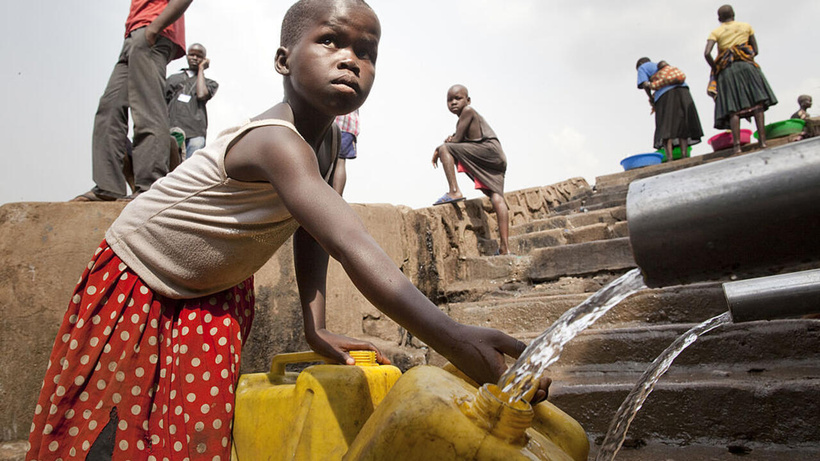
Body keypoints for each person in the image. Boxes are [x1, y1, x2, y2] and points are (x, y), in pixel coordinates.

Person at [26, 1, 544, 459]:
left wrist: (314, 324)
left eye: (367, 52)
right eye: (330, 41)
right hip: (139, 279)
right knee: (108, 435)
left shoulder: (326, 149)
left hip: (213, 293)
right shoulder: (277, 140)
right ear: (283, 61)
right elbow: (349, 241)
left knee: (193, 434)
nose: (350, 59)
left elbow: (314, 233)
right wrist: (455, 338)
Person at [72, 0, 192, 203]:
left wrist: (155, 28)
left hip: (152, 32)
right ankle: (107, 186)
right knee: (109, 109)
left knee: (146, 109)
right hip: (134, 36)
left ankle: (149, 186)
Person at [431, 85, 510, 255]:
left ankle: (454, 191)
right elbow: (460, 139)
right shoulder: (465, 117)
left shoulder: (468, 111)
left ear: (468, 100)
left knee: (445, 148)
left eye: (457, 98)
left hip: (487, 151)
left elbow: (456, 141)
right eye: (449, 100)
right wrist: (453, 139)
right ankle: (504, 247)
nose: (453, 103)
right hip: (496, 156)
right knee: (497, 197)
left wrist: (440, 148)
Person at [704, 4, 778, 154]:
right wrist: (743, 57)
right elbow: (755, 50)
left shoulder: (716, 32)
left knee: (734, 110)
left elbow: (706, 53)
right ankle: (763, 142)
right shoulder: (746, 26)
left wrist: (717, 67)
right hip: (747, 68)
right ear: (734, 14)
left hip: (727, 72)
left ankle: (737, 147)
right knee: (757, 104)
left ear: (719, 19)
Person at [636, 58, 703, 161]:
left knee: (665, 127)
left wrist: (651, 98)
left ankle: (670, 158)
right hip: (683, 91)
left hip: (666, 95)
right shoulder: (663, 67)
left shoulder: (642, 67)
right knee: (682, 123)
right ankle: (684, 155)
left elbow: (645, 84)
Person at [166, 43, 220, 159]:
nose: (195, 58)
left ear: (204, 59)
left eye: (199, 56)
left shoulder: (210, 83)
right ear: (187, 56)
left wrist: (201, 69)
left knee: (190, 169)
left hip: (195, 132)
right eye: (192, 55)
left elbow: (201, 94)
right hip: (172, 128)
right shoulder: (173, 79)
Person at [331, 109, 360, 194]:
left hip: (329, 120)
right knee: (340, 161)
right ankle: (337, 200)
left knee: (317, 158)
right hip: (348, 124)